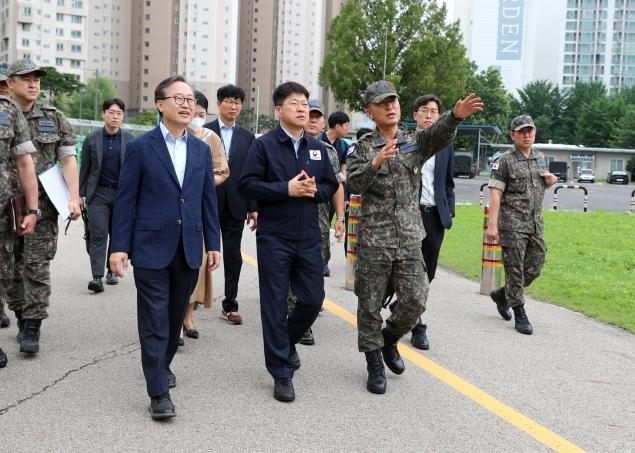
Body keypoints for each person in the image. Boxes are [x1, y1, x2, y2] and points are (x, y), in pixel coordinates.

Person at [347, 80, 482, 395]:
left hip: (409, 237)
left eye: (393, 100)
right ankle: (373, 363)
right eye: (382, 103)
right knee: (369, 306)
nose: (390, 106)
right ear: (370, 111)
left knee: (416, 299)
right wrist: (376, 162)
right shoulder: (363, 147)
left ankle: (390, 338)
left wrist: (455, 116)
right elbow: (353, 184)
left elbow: (438, 135)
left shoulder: (413, 141)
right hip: (375, 241)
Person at [109, 75, 221, 420]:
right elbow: (125, 200)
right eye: (179, 98)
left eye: (191, 99)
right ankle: (158, 392)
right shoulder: (141, 147)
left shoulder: (201, 149)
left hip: (188, 248)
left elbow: (207, 199)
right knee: (154, 321)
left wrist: (213, 243)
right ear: (160, 104)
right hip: (150, 247)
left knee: (174, 321)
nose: (187, 105)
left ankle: (163, 363)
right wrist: (119, 246)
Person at [239, 82, 338, 402]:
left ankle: (285, 342)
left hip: (308, 235)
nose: (302, 108)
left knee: (312, 299)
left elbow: (331, 185)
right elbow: (247, 185)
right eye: (294, 103)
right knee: (274, 304)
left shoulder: (317, 148)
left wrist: (315, 191)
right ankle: (281, 372)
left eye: (305, 103)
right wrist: (286, 189)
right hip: (274, 236)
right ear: (279, 110)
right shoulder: (264, 145)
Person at [5, 59, 81, 355]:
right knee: (10, 267)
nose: (33, 84)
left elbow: (68, 159)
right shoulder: (4, 115)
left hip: (44, 207)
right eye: (26, 78)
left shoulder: (54, 118)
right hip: (7, 205)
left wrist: (73, 196)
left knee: (37, 265)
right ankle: (21, 315)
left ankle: (33, 326)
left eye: (36, 79)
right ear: (10, 83)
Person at [486, 115, 556, 335]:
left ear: (534, 132)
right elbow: (495, 193)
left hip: (535, 223)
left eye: (530, 131)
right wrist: (492, 225)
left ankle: (502, 295)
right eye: (522, 131)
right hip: (512, 224)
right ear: (512, 135)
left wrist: (551, 181)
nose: (527, 135)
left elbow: (538, 185)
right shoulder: (504, 160)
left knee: (535, 267)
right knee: (514, 271)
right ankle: (519, 312)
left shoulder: (540, 157)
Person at [287, 98, 345, 346]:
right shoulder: (288, 146)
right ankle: (298, 319)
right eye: (309, 115)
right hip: (289, 219)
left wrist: (340, 217)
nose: (312, 120)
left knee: (318, 263)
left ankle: (304, 306)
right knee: (292, 267)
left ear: (323, 122)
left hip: (319, 220)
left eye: (317, 116)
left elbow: (336, 185)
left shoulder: (328, 152)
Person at [404, 94, 456, 351]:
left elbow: (448, 182)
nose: (428, 115)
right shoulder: (405, 142)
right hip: (409, 215)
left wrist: (449, 209)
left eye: (433, 111)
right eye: (424, 110)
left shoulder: (445, 145)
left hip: (435, 215)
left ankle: (406, 307)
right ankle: (416, 324)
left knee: (429, 272)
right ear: (415, 115)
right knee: (413, 270)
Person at [204, 84, 256, 326]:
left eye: (237, 102)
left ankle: (230, 304)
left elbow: (252, 173)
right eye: (228, 101)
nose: (233, 106)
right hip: (207, 202)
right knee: (200, 254)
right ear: (219, 104)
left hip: (236, 204)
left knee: (233, 256)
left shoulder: (248, 137)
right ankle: (191, 300)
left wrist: (253, 206)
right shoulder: (204, 132)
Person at [182, 89, 229, 340]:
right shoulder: (170, 137)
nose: (196, 118)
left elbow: (222, 171)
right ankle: (173, 319)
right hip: (173, 210)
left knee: (197, 266)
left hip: (198, 210)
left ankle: (187, 316)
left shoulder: (210, 139)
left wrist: (204, 182)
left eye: (201, 114)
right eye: (194, 112)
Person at [0, 95, 39, 369]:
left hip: (1, 210)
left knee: (3, 273)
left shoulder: (8, 108)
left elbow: (24, 162)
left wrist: (33, 209)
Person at [79, 99, 134, 293]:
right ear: (104, 114)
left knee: (116, 233)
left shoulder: (130, 140)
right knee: (98, 233)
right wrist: (80, 195)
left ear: (123, 116)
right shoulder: (91, 139)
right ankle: (97, 277)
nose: (115, 117)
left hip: (122, 194)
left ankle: (112, 270)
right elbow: (84, 169)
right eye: (111, 112)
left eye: (119, 113)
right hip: (98, 194)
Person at [320, 111, 350, 275]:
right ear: (337, 126)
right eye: (346, 126)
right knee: (319, 226)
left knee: (327, 226)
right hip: (319, 190)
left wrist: (344, 197)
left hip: (335, 189)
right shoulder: (318, 139)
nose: (347, 129)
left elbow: (343, 173)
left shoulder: (344, 146)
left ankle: (324, 261)